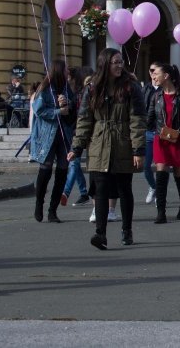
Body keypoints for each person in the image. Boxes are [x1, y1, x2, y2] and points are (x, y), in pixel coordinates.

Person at [68, 48, 147, 250]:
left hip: (123, 144)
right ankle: (100, 233)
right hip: (99, 144)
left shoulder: (131, 87)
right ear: (105, 64)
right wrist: (77, 147)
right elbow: (84, 119)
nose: (119, 66)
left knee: (124, 189)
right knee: (100, 191)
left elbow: (137, 120)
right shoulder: (93, 88)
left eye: (121, 62)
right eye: (115, 62)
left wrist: (138, 150)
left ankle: (126, 230)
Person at [147, 63, 180, 223]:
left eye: (156, 73)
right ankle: (161, 211)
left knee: (179, 173)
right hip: (161, 139)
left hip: (179, 139)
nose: (153, 76)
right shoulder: (155, 96)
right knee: (161, 172)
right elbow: (149, 119)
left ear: (166, 75)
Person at [31, 59, 76, 223]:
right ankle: (39, 204)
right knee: (45, 169)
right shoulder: (45, 89)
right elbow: (38, 110)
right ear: (59, 71)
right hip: (48, 135)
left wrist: (68, 104)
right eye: (66, 70)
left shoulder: (66, 88)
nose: (68, 73)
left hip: (64, 135)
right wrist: (58, 111)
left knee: (63, 171)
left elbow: (73, 108)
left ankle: (53, 210)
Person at [60, 67, 92, 207]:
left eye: (70, 77)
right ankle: (84, 192)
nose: (68, 80)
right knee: (75, 162)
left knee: (74, 162)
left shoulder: (85, 93)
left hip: (81, 133)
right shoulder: (76, 94)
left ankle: (66, 192)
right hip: (76, 132)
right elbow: (71, 113)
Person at [141, 61, 162, 204]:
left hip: (160, 132)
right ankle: (153, 187)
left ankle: (160, 194)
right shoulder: (145, 89)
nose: (153, 73)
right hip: (147, 131)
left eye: (155, 71)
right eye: (151, 70)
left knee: (161, 166)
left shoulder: (164, 89)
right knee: (145, 166)